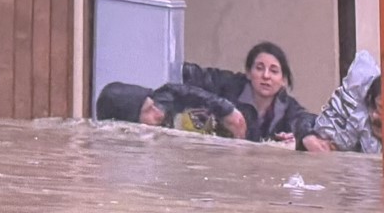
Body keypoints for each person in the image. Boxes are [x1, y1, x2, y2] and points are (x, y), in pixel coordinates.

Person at [181, 42, 326, 148]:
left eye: (274, 71)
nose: (266, 76)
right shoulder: (230, 85)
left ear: (283, 80)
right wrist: (225, 109)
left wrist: (302, 136)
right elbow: (185, 75)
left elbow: (306, 119)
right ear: (249, 73)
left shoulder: (288, 108)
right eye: (259, 68)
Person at [94, 80, 249, 138]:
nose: (159, 112)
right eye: (148, 111)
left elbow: (182, 92)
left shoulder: (165, 99)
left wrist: (227, 110)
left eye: (153, 104)